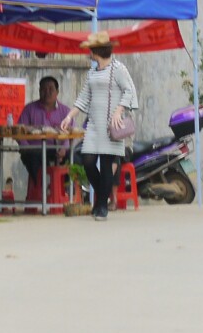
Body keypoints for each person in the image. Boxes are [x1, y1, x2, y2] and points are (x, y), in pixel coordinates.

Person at [65, 31, 137, 221]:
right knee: (88, 161)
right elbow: (83, 97)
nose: (89, 52)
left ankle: (102, 207)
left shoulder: (118, 68)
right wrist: (70, 115)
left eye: (91, 49)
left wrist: (118, 111)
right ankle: (102, 197)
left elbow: (129, 90)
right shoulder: (92, 72)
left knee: (106, 165)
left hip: (111, 125)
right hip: (94, 124)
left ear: (96, 50)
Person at [15, 75, 72, 203]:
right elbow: (19, 132)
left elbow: (70, 133)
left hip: (57, 150)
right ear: (39, 91)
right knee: (33, 157)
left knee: (74, 157)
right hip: (35, 150)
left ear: (57, 92)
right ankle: (39, 190)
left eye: (51, 89)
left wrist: (64, 148)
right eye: (43, 89)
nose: (47, 92)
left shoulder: (65, 112)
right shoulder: (29, 109)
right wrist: (26, 147)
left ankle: (65, 191)